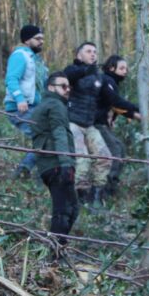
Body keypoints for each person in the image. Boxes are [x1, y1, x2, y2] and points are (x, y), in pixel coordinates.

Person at [29, 72, 78, 254]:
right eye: (63, 86)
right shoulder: (55, 105)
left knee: (71, 209)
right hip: (56, 163)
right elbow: (59, 132)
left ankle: (57, 249)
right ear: (51, 88)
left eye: (69, 87)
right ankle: (54, 254)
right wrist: (66, 163)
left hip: (50, 164)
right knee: (64, 210)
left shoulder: (45, 105)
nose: (67, 90)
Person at [63, 42, 111, 205]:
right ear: (79, 55)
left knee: (104, 157)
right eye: (88, 51)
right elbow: (69, 77)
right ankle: (79, 198)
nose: (93, 54)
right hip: (72, 123)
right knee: (82, 160)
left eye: (95, 52)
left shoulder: (98, 76)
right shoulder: (71, 70)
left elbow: (109, 98)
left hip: (89, 125)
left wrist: (132, 110)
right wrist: (85, 71)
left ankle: (97, 196)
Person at [3, 24, 47, 179]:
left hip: (34, 108)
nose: (41, 41)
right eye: (38, 38)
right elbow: (11, 78)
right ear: (27, 40)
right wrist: (20, 99)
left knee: (46, 138)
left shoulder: (34, 59)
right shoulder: (20, 55)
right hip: (21, 108)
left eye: (42, 38)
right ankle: (24, 171)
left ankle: (25, 171)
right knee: (45, 138)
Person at [96, 55, 142, 199]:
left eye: (126, 69)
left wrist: (133, 115)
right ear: (111, 68)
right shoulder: (106, 80)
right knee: (115, 152)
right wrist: (137, 109)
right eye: (121, 68)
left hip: (103, 123)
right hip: (96, 123)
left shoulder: (112, 83)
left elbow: (116, 107)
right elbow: (115, 101)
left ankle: (111, 186)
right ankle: (104, 191)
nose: (125, 71)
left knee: (120, 149)